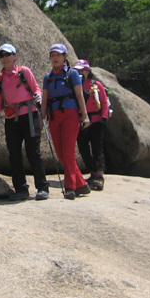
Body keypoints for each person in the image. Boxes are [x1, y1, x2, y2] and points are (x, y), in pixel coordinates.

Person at [0, 43, 49, 201]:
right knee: (14, 153)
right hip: (11, 118)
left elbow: (36, 88)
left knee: (33, 151)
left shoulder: (24, 72)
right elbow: (0, 102)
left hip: (29, 115)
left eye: (7, 54)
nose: (4, 58)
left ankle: (42, 187)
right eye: (1, 55)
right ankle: (21, 189)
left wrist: (38, 96)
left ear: (14, 56)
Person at [40, 43, 91, 199]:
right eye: (52, 55)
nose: (55, 58)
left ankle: (70, 187)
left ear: (65, 57)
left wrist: (85, 115)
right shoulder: (48, 78)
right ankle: (81, 184)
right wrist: (42, 119)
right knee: (61, 154)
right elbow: (45, 99)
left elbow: (80, 95)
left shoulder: (72, 74)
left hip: (70, 115)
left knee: (68, 152)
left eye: (58, 55)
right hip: (54, 117)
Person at [73, 59, 109, 191]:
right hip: (81, 120)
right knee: (83, 147)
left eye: (81, 70)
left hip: (96, 120)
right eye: (76, 71)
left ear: (88, 71)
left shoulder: (96, 84)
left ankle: (99, 176)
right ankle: (92, 172)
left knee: (97, 147)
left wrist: (104, 118)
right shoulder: (75, 85)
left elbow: (104, 102)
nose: (79, 73)